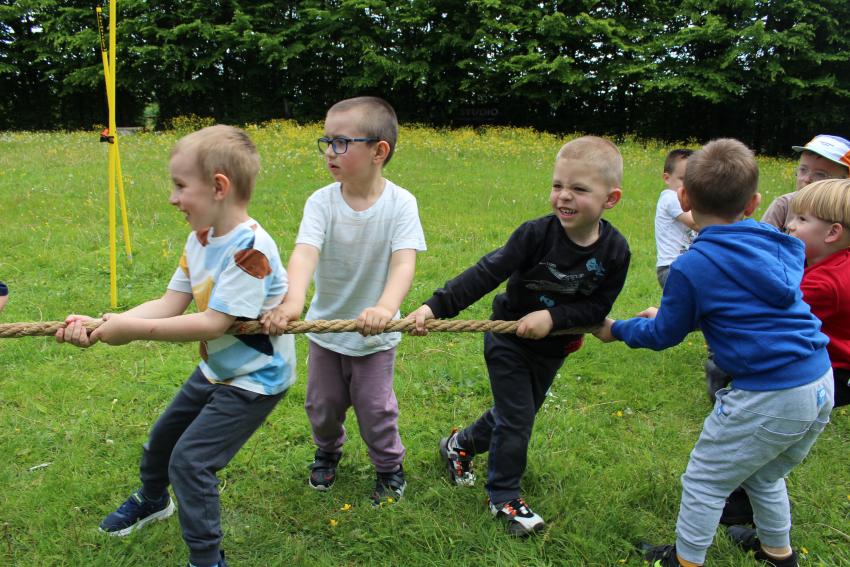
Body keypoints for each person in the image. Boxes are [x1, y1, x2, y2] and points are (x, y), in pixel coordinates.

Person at [56, 125, 296, 567]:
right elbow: (170, 303)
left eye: (181, 186)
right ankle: (153, 499)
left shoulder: (250, 250)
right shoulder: (200, 236)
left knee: (191, 462)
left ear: (219, 187)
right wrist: (106, 323)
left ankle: (206, 559)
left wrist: (130, 331)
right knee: (162, 440)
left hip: (255, 379)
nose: (172, 198)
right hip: (217, 368)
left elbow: (213, 323)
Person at [594, 138, 834, 567]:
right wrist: (686, 314)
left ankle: (685, 561)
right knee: (765, 475)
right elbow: (745, 305)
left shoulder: (692, 265)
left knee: (705, 480)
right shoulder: (781, 243)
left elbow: (664, 335)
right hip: (819, 381)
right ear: (754, 203)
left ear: (684, 198)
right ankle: (778, 555)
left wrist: (619, 330)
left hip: (770, 395)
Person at [407, 136, 630, 536]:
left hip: (554, 347)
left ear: (610, 199)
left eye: (579, 189)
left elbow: (598, 307)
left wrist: (553, 317)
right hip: (507, 339)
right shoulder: (535, 235)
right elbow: (487, 272)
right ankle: (504, 497)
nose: (564, 196)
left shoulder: (616, 251)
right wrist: (433, 307)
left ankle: (458, 445)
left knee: (515, 414)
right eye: (558, 185)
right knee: (518, 417)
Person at [261, 96, 426, 506]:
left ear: (378, 151)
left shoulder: (401, 203)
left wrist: (385, 308)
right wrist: (293, 302)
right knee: (323, 405)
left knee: (375, 409)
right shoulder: (321, 202)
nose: (329, 152)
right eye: (326, 142)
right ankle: (327, 451)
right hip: (326, 330)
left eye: (341, 143)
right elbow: (305, 253)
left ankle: (388, 466)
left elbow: (403, 263)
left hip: (375, 336)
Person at [786, 179, 850, 407]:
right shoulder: (835, 262)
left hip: (836, 373)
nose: (790, 225)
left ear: (832, 232)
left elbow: (774, 314)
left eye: (802, 219)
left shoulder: (823, 284)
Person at [761, 135, 849, 232]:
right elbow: (761, 239)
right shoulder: (784, 205)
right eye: (803, 170)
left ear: (845, 181)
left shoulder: (845, 213)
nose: (806, 179)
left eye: (820, 174)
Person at [654, 149, 697, 288]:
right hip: (671, 268)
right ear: (667, 178)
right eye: (683, 179)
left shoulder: (692, 201)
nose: (689, 185)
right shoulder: (671, 197)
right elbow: (696, 223)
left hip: (686, 266)